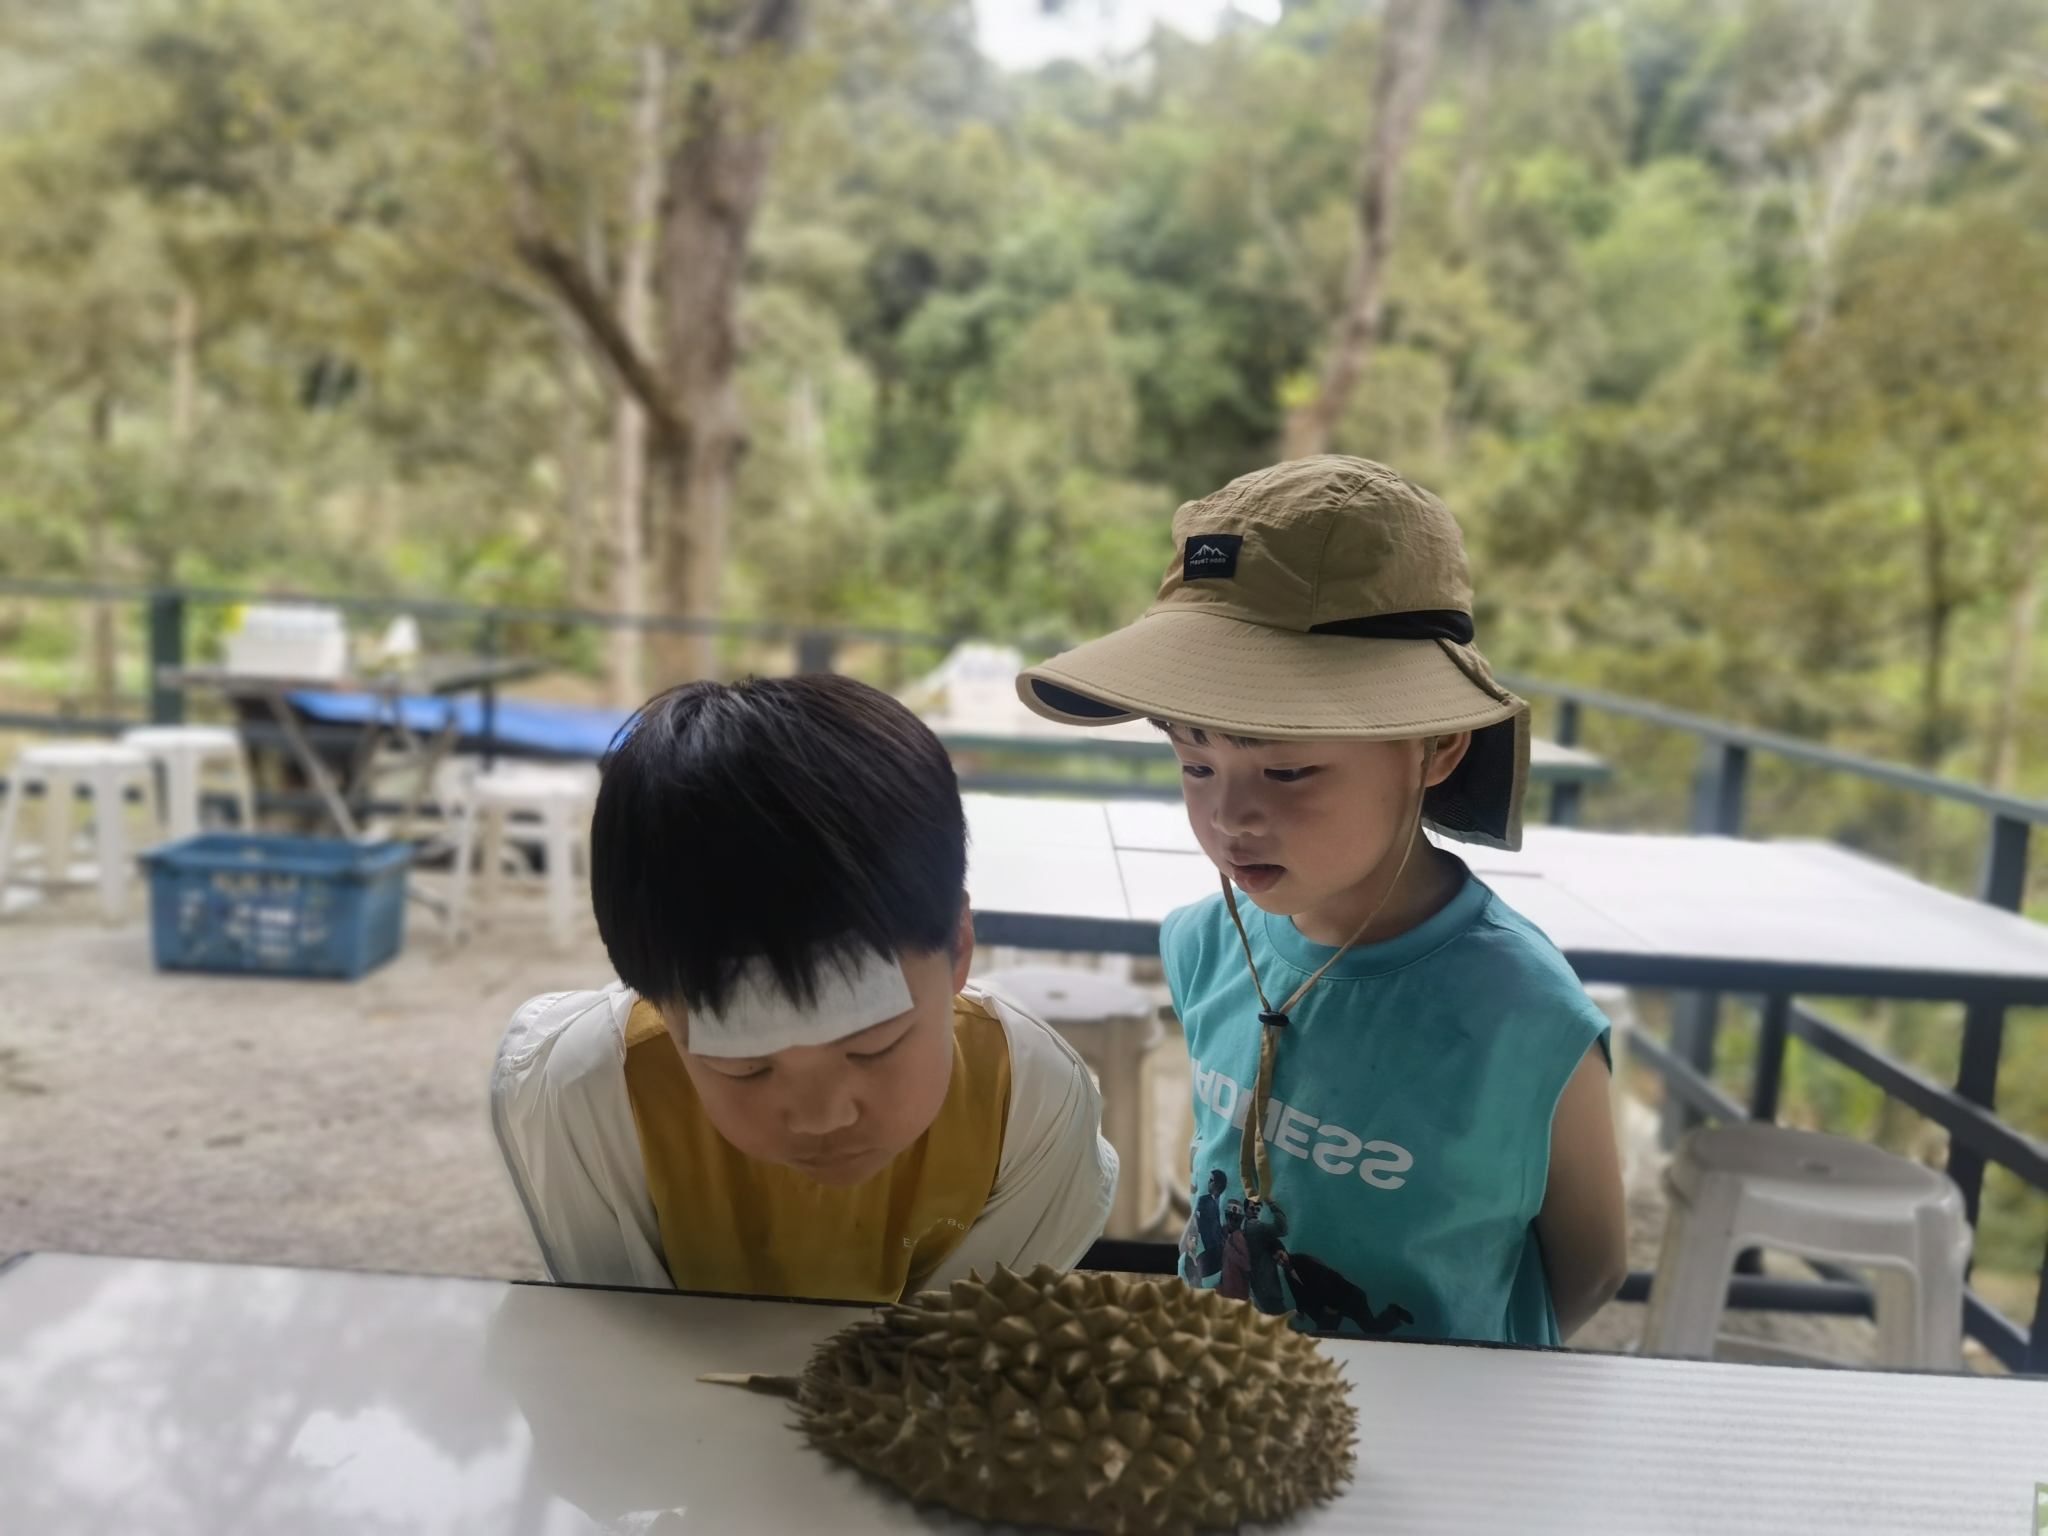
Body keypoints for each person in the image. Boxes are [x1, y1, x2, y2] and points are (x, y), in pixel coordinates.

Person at [1017, 455, 1627, 1345]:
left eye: (1288, 768)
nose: (1230, 816)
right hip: (1225, 1407)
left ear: (1438, 749)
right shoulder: (1204, 944)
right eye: (1195, 762)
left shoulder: (1526, 1016)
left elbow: (1592, 1266)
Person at [491, 675, 1117, 1302]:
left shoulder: (1030, 1107)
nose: (822, 1116)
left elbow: (961, 1354)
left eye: (872, 1047)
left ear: (957, 944)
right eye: (746, 1068)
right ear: (656, 1001)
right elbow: (631, 1345)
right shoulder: (591, 1101)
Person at [1189, 1167, 1228, 1281]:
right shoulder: (1203, 1200)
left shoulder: (1218, 1202)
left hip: (1217, 1250)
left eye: (1211, 1180)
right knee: (1195, 1271)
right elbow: (1196, 1222)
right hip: (1211, 1249)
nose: (1208, 1182)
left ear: (1218, 1185)